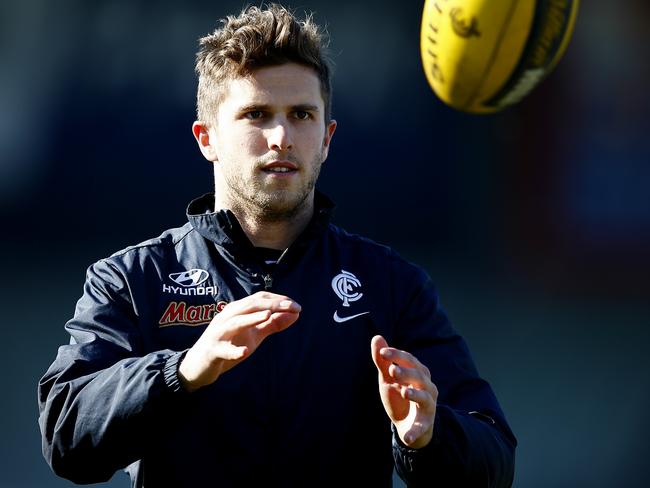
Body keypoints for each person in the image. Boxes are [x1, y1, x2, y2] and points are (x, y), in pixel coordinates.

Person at [38, 4, 517, 487]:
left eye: (302, 115)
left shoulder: (391, 285)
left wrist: (427, 437)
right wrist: (182, 371)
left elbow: (494, 458)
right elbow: (65, 438)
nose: (282, 137)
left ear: (327, 138)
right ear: (207, 139)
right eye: (257, 114)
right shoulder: (133, 278)